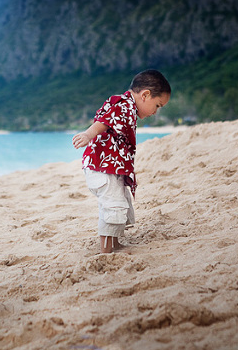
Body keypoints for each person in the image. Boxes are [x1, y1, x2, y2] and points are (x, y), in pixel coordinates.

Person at [72, 70, 171, 253]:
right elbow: (104, 121)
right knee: (113, 205)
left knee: (121, 201)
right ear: (145, 95)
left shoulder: (129, 108)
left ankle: (115, 243)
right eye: (157, 106)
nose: (155, 112)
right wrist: (88, 134)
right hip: (101, 167)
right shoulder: (123, 104)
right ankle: (106, 250)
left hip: (112, 167)